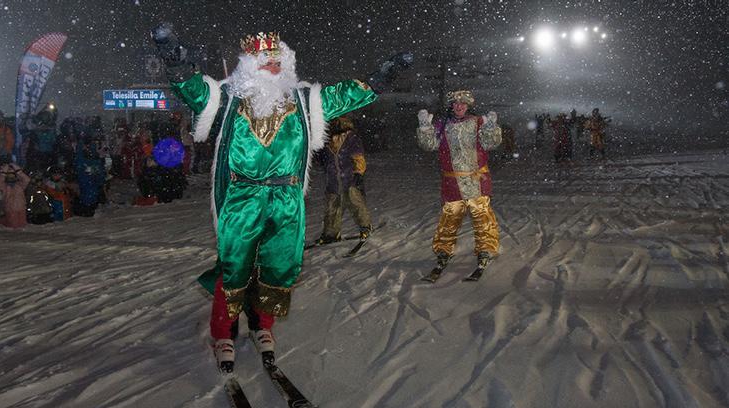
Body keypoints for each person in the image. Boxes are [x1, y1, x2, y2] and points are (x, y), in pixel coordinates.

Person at [152, 24, 411, 372]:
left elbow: (347, 95)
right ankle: (224, 333)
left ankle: (262, 326)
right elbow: (192, 89)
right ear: (249, 64)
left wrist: (383, 75)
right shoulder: (228, 96)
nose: (272, 65)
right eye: (264, 59)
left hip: (287, 195)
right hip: (242, 195)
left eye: (278, 60)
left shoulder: (304, 99)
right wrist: (175, 58)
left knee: (277, 266)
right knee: (234, 267)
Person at [416, 89, 502, 277]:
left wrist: (491, 129)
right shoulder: (442, 124)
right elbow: (429, 145)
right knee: (449, 218)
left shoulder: (478, 122)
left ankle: (485, 249)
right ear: (451, 106)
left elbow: (490, 144)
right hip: (452, 182)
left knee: (483, 218)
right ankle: (444, 250)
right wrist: (424, 128)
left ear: (468, 105)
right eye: (455, 103)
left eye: (462, 103)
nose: (459, 106)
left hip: (476, 181)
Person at [315, 115, 372, 244]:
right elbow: (324, 159)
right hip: (333, 181)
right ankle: (331, 233)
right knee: (332, 207)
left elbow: (358, 156)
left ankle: (365, 226)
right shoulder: (325, 139)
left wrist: (358, 172)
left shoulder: (350, 137)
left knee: (356, 204)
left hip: (349, 178)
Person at [0, 163, 30, 228]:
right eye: (9, 175)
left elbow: (27, 179)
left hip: (21, 208)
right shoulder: (4, 186)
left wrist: (18, 170)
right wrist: (3, 172)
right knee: (13, 227)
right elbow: (0, 182)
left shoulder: (19, 185)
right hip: (10, 210)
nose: (11, 177)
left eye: (12, 174)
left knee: (22, 227)